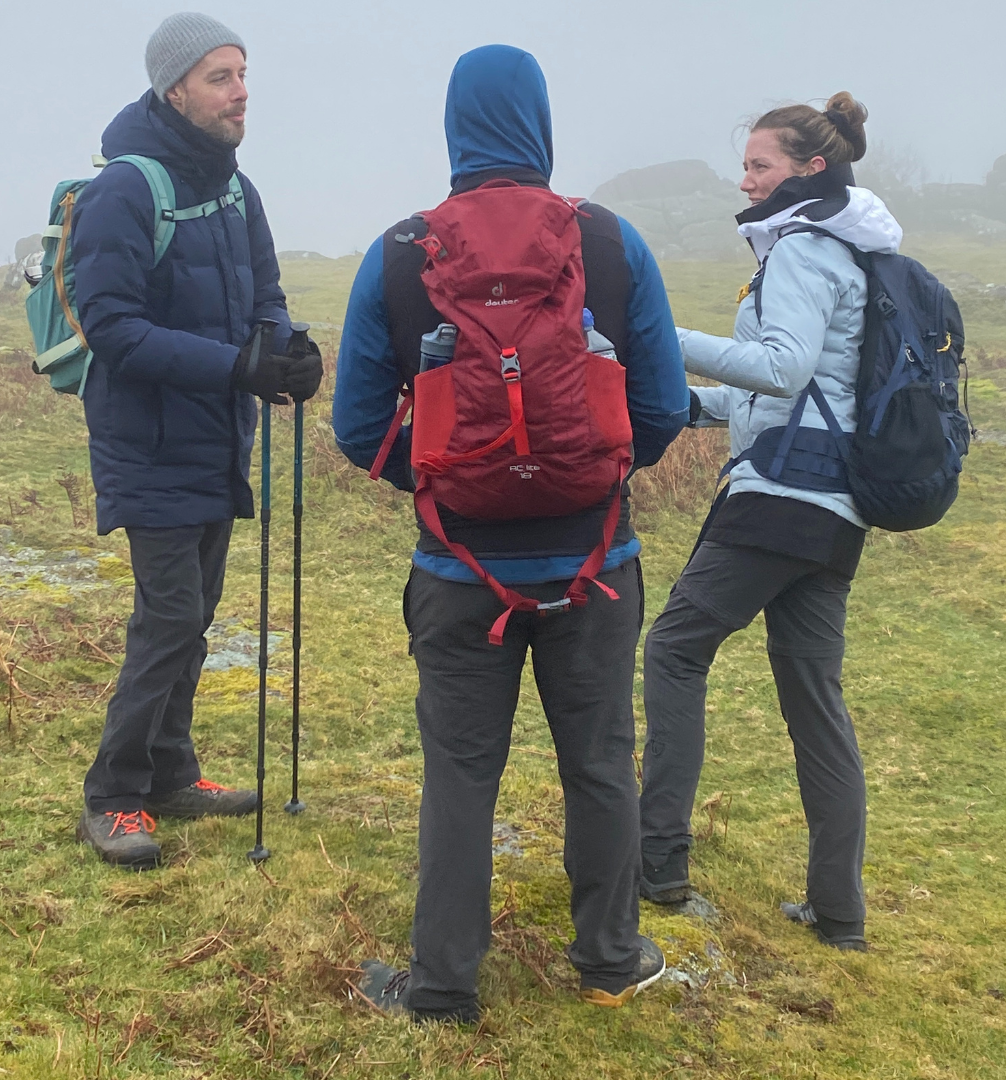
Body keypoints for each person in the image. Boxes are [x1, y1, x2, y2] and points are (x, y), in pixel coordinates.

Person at [334, 45, 688, 1020]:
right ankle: (611, 959)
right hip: (598, 569)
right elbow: (661, 408)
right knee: (601, 762)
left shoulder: (401, 253)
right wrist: (591, 471)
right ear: (540, 121)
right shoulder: (610, 243)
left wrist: (442, 481)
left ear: (454, 127)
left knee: (458, 773)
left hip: (456, 574)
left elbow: (357, 428)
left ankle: (443, 987)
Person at [639, 93, 903, 952]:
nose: (744, 180)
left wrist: (658, 335)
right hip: (835, 509)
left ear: (810, 170)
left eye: (760, 165)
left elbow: (784, 372)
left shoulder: (802, 248)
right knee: (813, 698)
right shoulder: (850, 254)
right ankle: (840, 914)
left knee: (674, 650)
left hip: (780, 498)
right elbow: (793, 391)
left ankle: (656, 862)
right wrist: (684, 407)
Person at [73, 13, 323, 870]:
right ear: (174, 88)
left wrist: (284, 353)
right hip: (146, 441)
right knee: (171, 618)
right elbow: (110, 328)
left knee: (197, 614)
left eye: (244, 73)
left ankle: (170, 773)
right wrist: (236, 367)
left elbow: (268, 293)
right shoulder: (124, 190)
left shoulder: (235, 188)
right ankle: (113, 795)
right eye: (221, 77)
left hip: (219, 437)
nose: (241, 91)